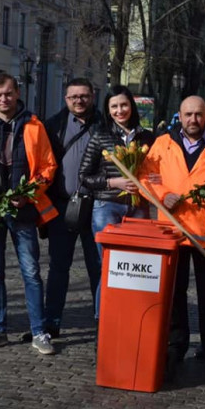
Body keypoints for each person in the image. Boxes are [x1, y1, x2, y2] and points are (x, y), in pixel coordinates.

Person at [138, 96, 205, 376]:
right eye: (188, 114)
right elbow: (146, 178)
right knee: (175, 296)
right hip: (171, 233)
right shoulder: (162, 144)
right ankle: (175, 347)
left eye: (198, 115)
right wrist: (162, 196)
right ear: (179, 116)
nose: (193, 120)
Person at [0, 73, 59, 354]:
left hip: (24, 211)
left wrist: (29, 194)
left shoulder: (33, 125)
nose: (3, 99)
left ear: (17, 93)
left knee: (31, 272)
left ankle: (39, 332)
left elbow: (47, 167)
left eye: (8, 93)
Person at [78, 85, 155, 315]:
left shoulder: (147, 137)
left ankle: (130, 315)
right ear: (108, 109)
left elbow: (156, 171)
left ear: (131, 105)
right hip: (107, 207)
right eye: (114, 106)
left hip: (138, 207)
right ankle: (104, 320)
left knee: (136, 267)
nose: (120, 110)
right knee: (110, 266)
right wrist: (114, 183)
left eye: (124, 105)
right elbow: (84, 176)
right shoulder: (101, 136)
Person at [43, 78, 103, 338]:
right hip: (62, 206)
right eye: (73, 97)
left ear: (93, 96)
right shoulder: (53, 125)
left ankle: (101, 320)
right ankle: (52, 321)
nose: (79, 101)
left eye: (84, 96)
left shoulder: (105, 124)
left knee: (97, 268)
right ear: (65, 99)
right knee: (58, 267)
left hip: (97, 207)